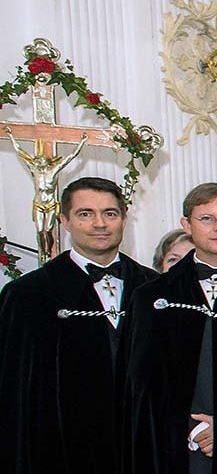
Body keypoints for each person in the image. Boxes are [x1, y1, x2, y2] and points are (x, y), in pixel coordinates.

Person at [0, 177, 161, 473]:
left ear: (124, 218)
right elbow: (13, 394)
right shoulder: (28, 295)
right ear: (65, 221)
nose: (99, 223)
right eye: (85, 214)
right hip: (61, 451)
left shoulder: (155, 288)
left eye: (110, 213)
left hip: (145, 449)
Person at [123, 183, 217, 474]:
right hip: (182, 445)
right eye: (207, 218)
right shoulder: (152, 297)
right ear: (187, 224)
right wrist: (192, 427)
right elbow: (143, 383)